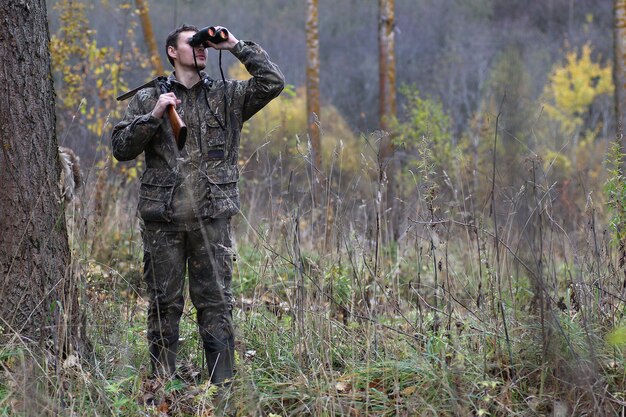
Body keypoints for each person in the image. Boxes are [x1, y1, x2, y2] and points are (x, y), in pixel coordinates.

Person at [111, 24, 284, 385]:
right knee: (164, 304)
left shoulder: (227, 95)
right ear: (172, 52)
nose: (202, 48)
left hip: (212, 217)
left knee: (216, 304)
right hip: (164, 218)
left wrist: (234, 45)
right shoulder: (149, 98)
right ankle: (162, 385)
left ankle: (221, 387)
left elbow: (272, 82)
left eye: (204, 44)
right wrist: (155, 115)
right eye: (193, 44)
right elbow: (121, 148)